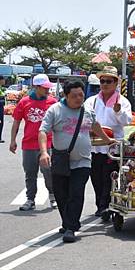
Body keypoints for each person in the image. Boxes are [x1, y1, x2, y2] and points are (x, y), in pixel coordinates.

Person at [39, 80, 115, 243]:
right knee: (61, 194)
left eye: (81, 95)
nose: (79, 98)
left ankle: (71, 228)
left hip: (83, 161)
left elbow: (95, 126)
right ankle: (67, 222)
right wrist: (44, 152)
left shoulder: (87, 110)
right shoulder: (55, 110)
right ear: (66, 96)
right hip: (61, 160)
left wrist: (108, 140)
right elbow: (43, 131)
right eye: (74, 96)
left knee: (76, 193)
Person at [84, 66, 133, 219]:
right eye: (102, 81)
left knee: (108, 177)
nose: (104, 84)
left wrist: (118, 111)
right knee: (95, 177)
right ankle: (101, 204)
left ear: (115, 83)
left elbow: (127, 122)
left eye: (108, 81)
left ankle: (105, 206)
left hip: (113, 146)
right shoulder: (92, 101)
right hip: (94, 145)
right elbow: (85, 119)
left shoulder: (123, 101)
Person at [10, 74, 58, 211]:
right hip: (29, 144)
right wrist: (13, 140)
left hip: (47, 143)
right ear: (36, 87)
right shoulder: (24, 102)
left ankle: (53, 196)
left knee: (48, 171)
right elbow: (16, 122)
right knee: (30, 173)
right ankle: (30, 199)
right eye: (44, 88)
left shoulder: (53, 102)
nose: (47, 90)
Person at [0, 75, 6, 143]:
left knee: (1, 122)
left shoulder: (1, 88)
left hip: (1, 107)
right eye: (3, 79)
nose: (4, 81)